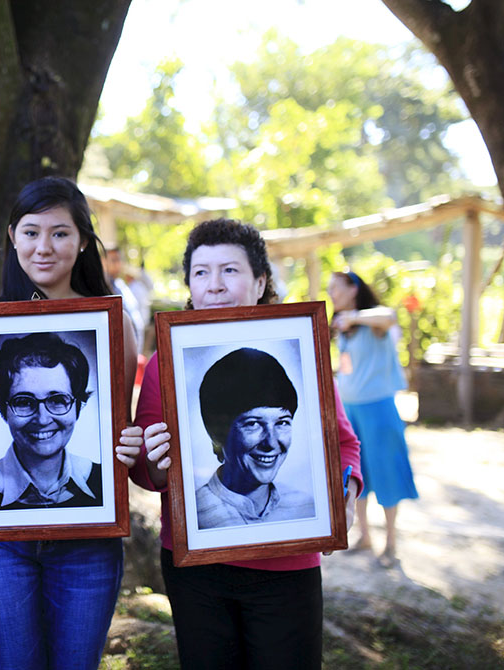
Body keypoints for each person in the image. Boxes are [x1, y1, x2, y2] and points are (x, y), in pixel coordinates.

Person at [120, 218, 362, 668]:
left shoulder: (303, 348)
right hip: (197, 569)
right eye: (200, 272)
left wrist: (343, 496)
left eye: (229, 270)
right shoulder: (163, 364)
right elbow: (149, 478)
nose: (214, 285)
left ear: (260, 281)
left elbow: (344, 445)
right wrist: (153, 459)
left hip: (290, 565)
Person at [0, 176, 139, 670]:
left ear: (82, 242)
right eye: (31, 232)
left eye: (60, 233)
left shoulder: (114, 325)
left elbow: (124, 426)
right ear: (12, 237)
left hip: (88, 543)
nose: (43, 247)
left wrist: (131, 443)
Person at [328, 270, 417, 568]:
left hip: (378, 409)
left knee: (387, 473)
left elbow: (389, 315)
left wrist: (354, 318)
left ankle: (390, 544)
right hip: (350, 412)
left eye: (335, 288)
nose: (331, 294)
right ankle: (364, 536)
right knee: (355, 476)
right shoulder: (342, 327)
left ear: (353, 289)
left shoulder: (372, 322)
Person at [195, 347, 315, 529]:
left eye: (282, 422)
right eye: (253, 424)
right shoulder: (196, 516)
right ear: (218, 433)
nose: (271, 442)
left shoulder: (306, 508)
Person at [0, 332, 102, 511]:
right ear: (3, 409)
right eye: (23, 402)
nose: (42, 419)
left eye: (58, 400)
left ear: (78, 406)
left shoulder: (103, 479)